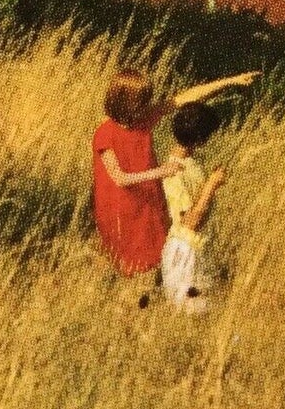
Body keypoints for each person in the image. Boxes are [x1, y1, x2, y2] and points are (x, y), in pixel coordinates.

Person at [92, 68, 257, 288]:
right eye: (142, 101)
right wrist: (161, 172)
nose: (148, 105)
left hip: (147, 202)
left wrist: (230, 80)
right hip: (120, 207)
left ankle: (152, 298)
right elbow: (119, 178)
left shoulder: (143, 120)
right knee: (125, 263)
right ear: (126, 102)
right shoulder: (105, 134)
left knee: (151, 263)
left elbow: (186, 97)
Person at [160, 102, 225, 314]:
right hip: (185, 254)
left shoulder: (190, 162)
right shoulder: (174, 172)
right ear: (199, 138)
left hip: (197, 249)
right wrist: (211, 186)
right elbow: (190, 222)